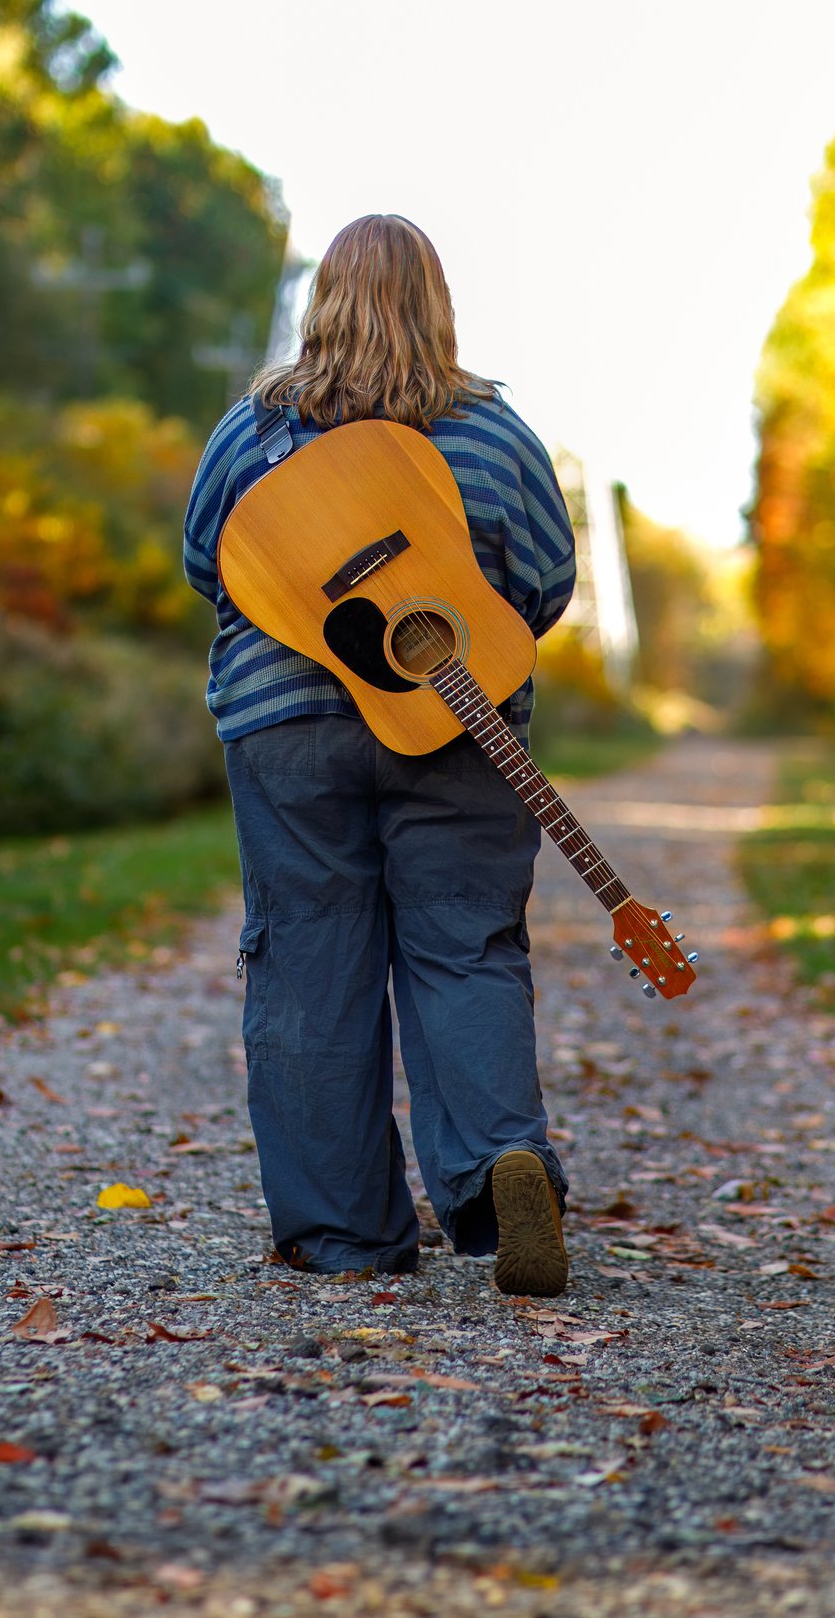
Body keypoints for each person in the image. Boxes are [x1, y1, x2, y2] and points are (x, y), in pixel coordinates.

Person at [182, 214, 579, 1295]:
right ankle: (500, 1163)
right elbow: (543, 584)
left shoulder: (251, 433)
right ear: (436, 307)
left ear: (320, 303)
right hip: (462, 725)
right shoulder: (494, 435)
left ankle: (343, 1234)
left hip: (286, 733)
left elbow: (206, 563)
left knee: (307, 959)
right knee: (466, 946)